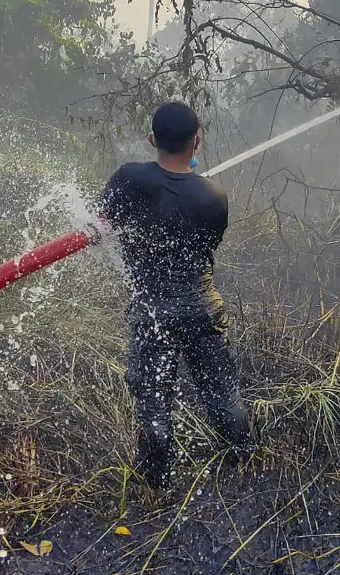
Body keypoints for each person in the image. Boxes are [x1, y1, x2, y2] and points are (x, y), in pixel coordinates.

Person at [98, 102, 252, 488]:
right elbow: (208, 244)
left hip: (154, 315)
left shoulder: (129, 179)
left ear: (152, 139)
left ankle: (157, 484)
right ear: (196, 142)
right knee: (224, 399)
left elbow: (100, 227)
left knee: (154, 406)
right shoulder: (216, 195)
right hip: (204, 309)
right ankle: (245, 465)